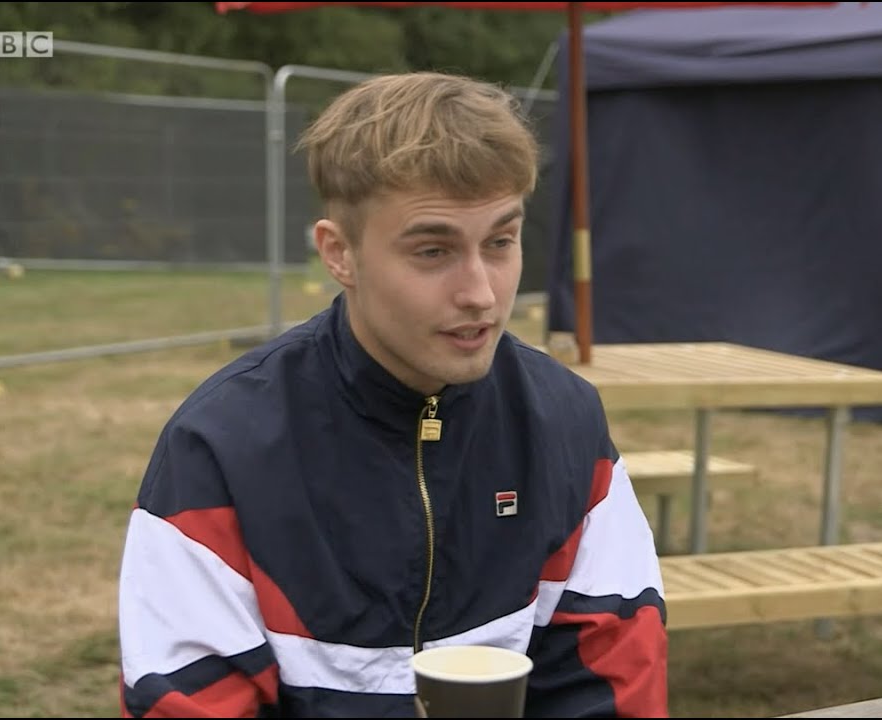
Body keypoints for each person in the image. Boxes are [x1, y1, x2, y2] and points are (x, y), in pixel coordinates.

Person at [116, 72, 669, 718]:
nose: (481, 293)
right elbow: (186, 702)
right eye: (433, 251)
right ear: (339, 253)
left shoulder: (563, 422)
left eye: (500, 242)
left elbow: (613, 687)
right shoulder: (219, 449)